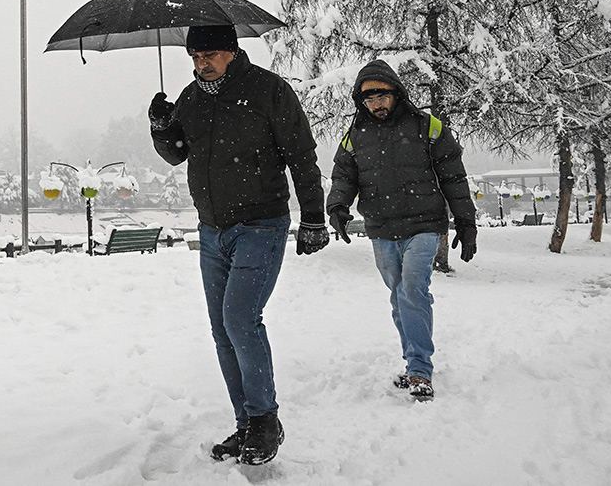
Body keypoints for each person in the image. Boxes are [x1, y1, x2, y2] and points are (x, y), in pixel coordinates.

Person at [148, 24, 329, 466]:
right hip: (212, 230)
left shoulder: (268, 91)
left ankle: (266, 419)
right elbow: (177, 153)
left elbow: (302, 156)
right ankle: (246, 423)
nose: (200, 64)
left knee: (240, 318)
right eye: (193, 57)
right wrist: (160, 126)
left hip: (261, 224)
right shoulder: (191, 99)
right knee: (222, 329)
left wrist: (314, 218)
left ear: (231, 52)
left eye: (208, 55)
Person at [326, 59, 478, 401]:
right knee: (399, 296)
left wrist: (466, 223)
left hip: (424, 224)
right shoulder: (355, 137)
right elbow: (343, 177)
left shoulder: (428, 127)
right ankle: (413, 363)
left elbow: (453, 177)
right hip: (381, 228)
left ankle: (420, 370)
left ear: (396, 92)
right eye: (368, 98)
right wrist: (336, 207)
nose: (376, 103)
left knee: (412, 288)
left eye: (381, 95)